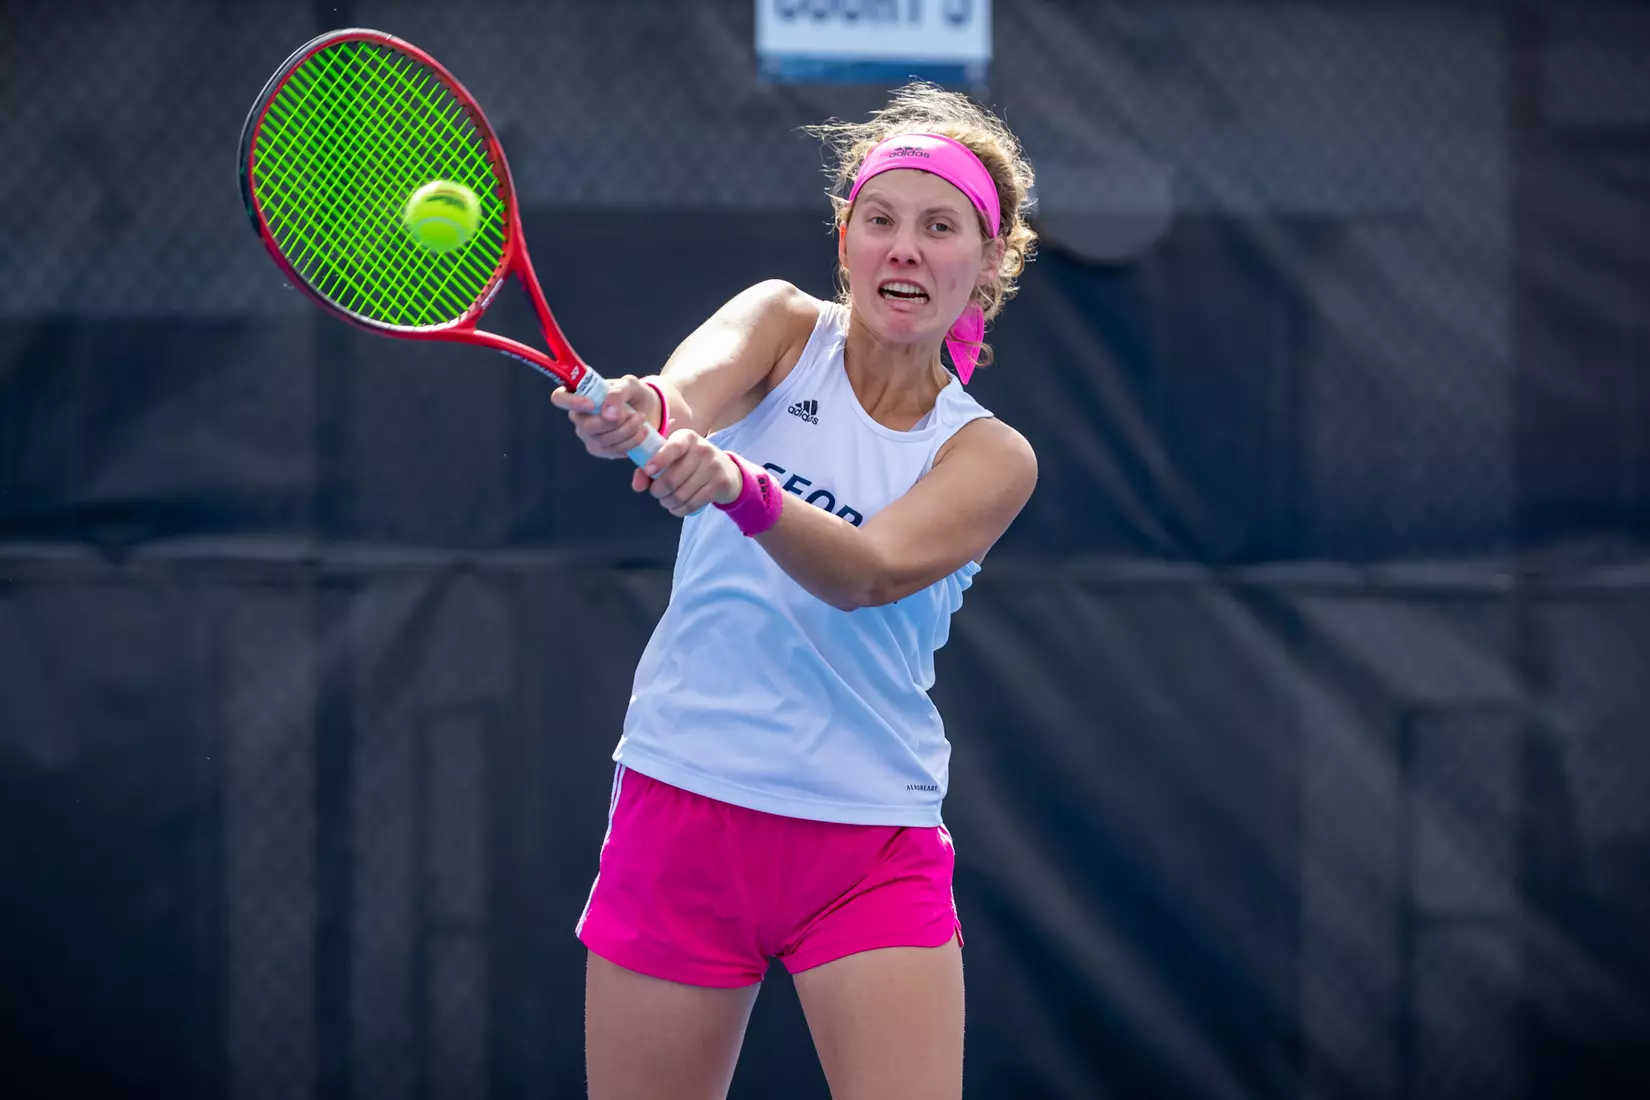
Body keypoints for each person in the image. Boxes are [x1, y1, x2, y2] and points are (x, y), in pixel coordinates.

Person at [550, 81, 1039, 1100]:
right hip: (682, 801)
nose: (904, 247)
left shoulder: (992, 455)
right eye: (881, 220)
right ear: (847, 239)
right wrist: (646, 409)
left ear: (986, 264)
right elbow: (687, 389)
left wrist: (736, 483)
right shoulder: (780, 324)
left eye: (939, 226)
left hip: (867, 840)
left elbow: (867, 572)